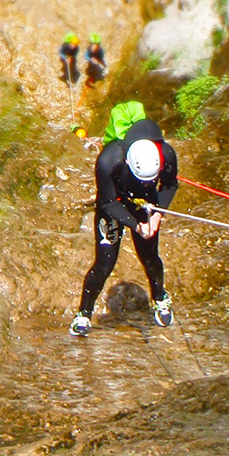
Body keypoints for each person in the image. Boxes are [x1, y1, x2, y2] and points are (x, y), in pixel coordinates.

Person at [70, 101, 178, 336]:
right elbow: (107, 202)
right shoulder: (108, 161)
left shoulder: (166, 154)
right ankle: (83, 314)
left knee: (150, 258)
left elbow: (170, 185)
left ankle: (160, 298)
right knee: (105, 263)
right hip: (114, 206)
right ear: (128, 162)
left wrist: (157, 215)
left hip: (146, 205)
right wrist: (136, 226)